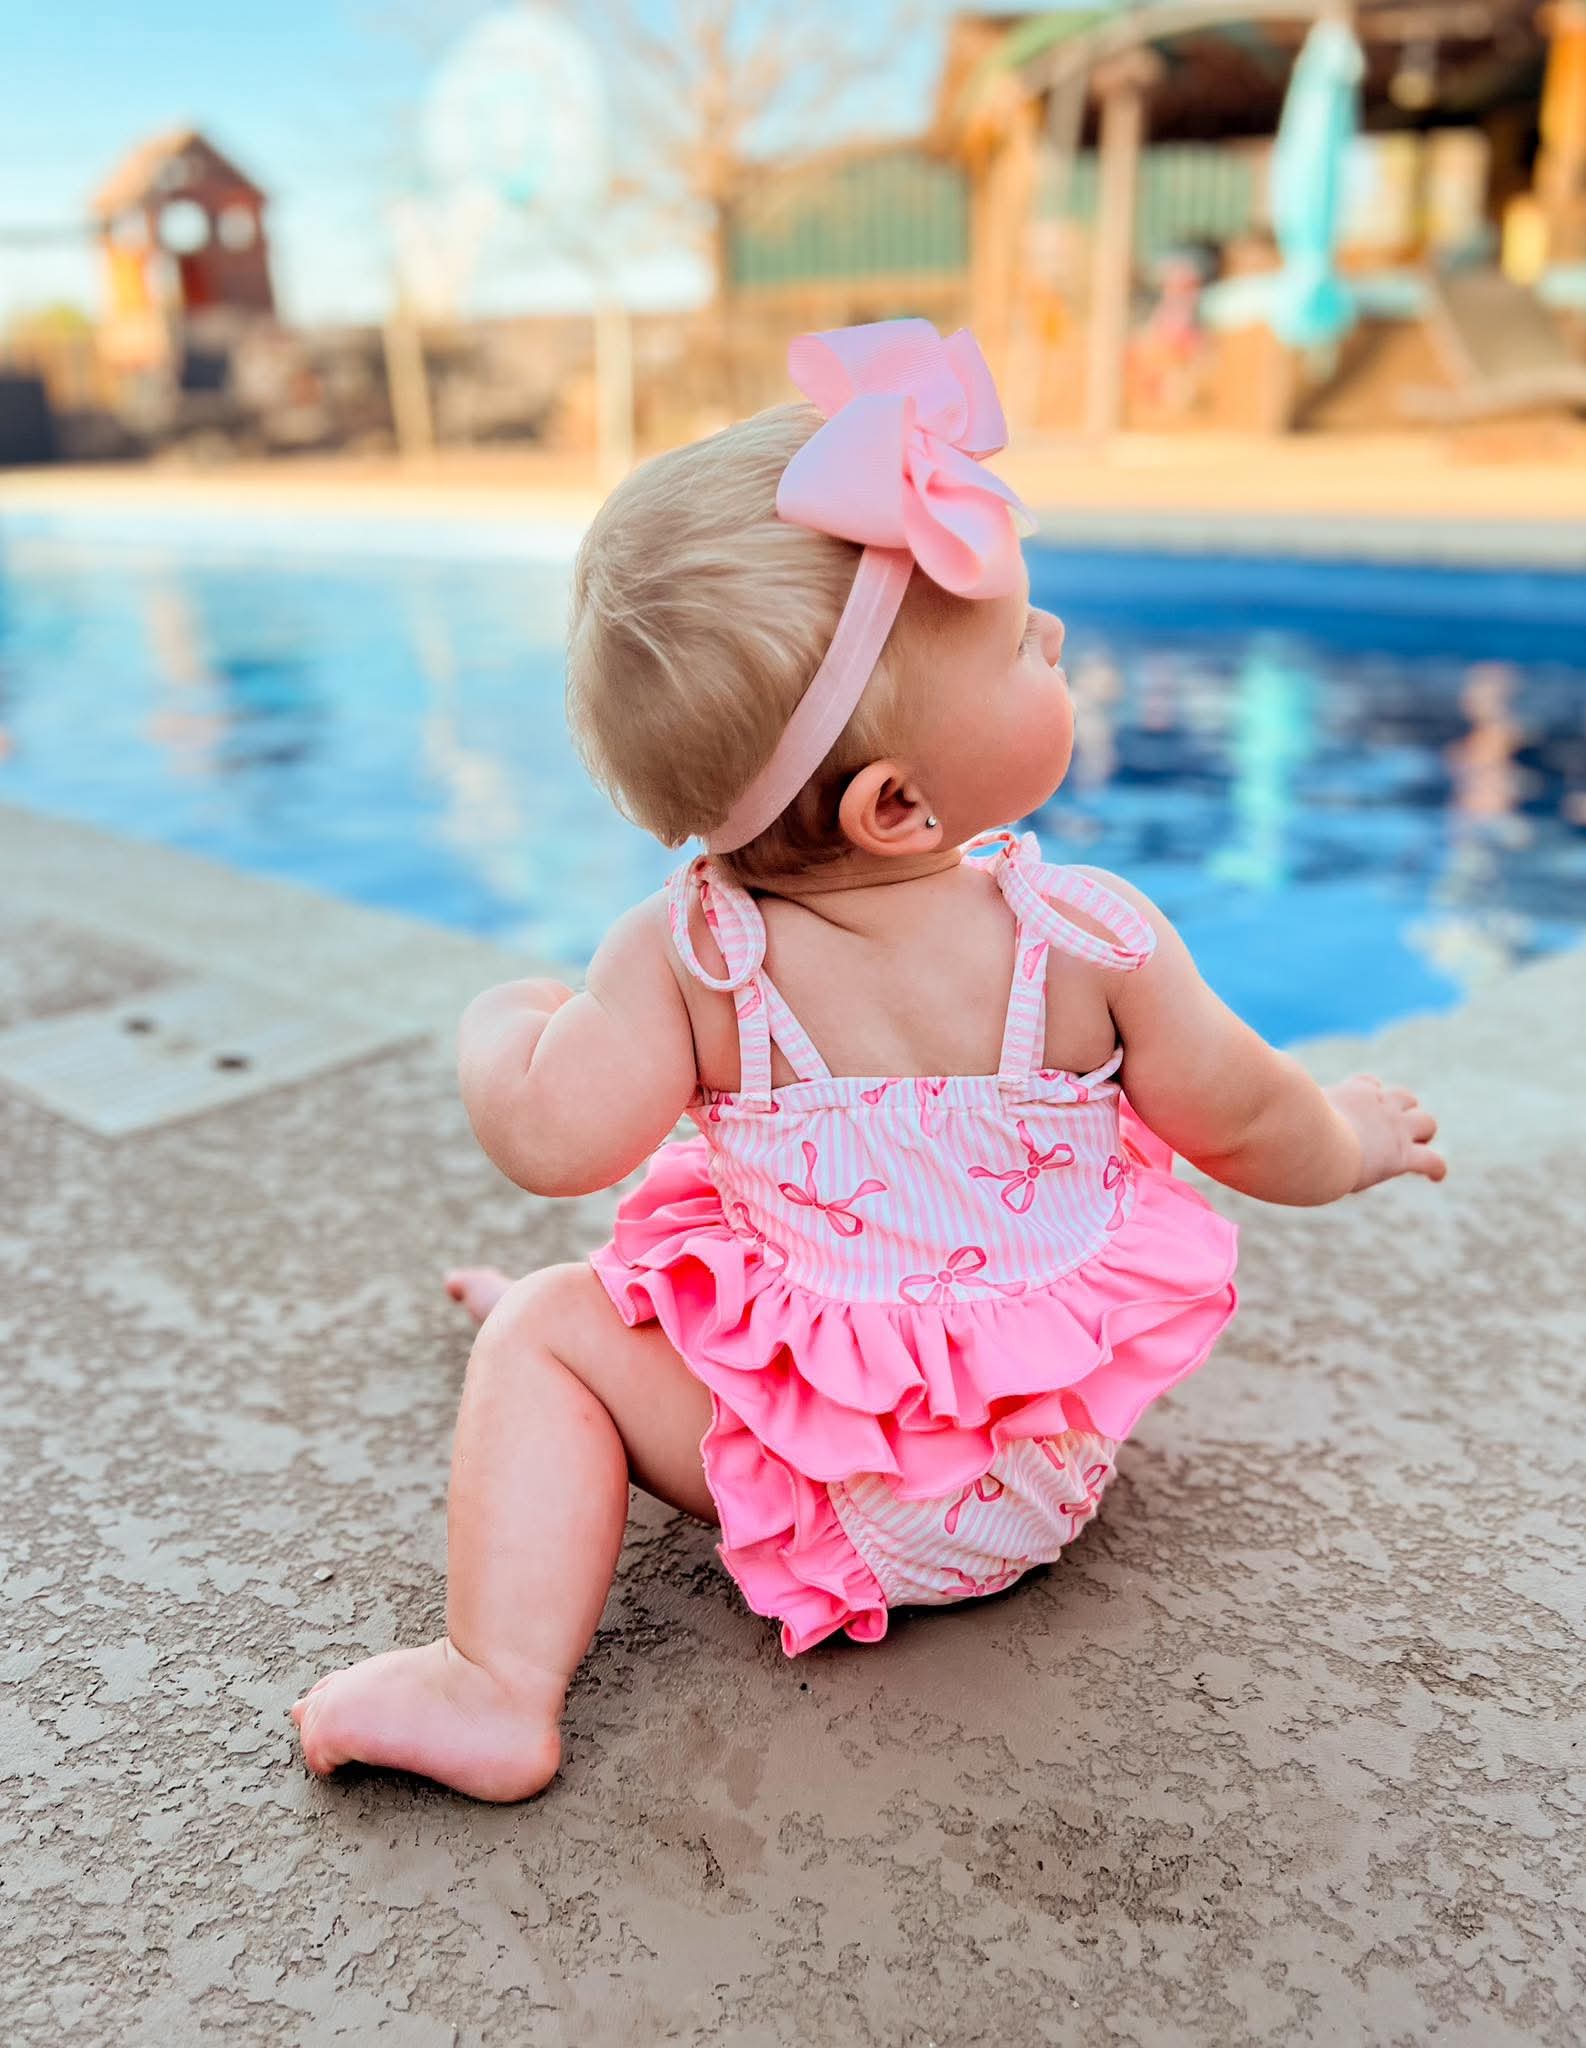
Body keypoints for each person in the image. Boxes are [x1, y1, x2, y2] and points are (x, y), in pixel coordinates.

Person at [290, 321, 1445, 1801]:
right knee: (687, 1238)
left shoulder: (691, 953)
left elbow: (552, 1138)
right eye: (1025, 640)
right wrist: (1348, 1138)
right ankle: (603, 1409)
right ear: (898, 806)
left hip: (824, 1495)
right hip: (1040, 1479)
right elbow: (1250, 1119)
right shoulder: (1087, 938)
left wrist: (499, 1024)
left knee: (552, 1328)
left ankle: (495, 1682)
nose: (1058, 642)